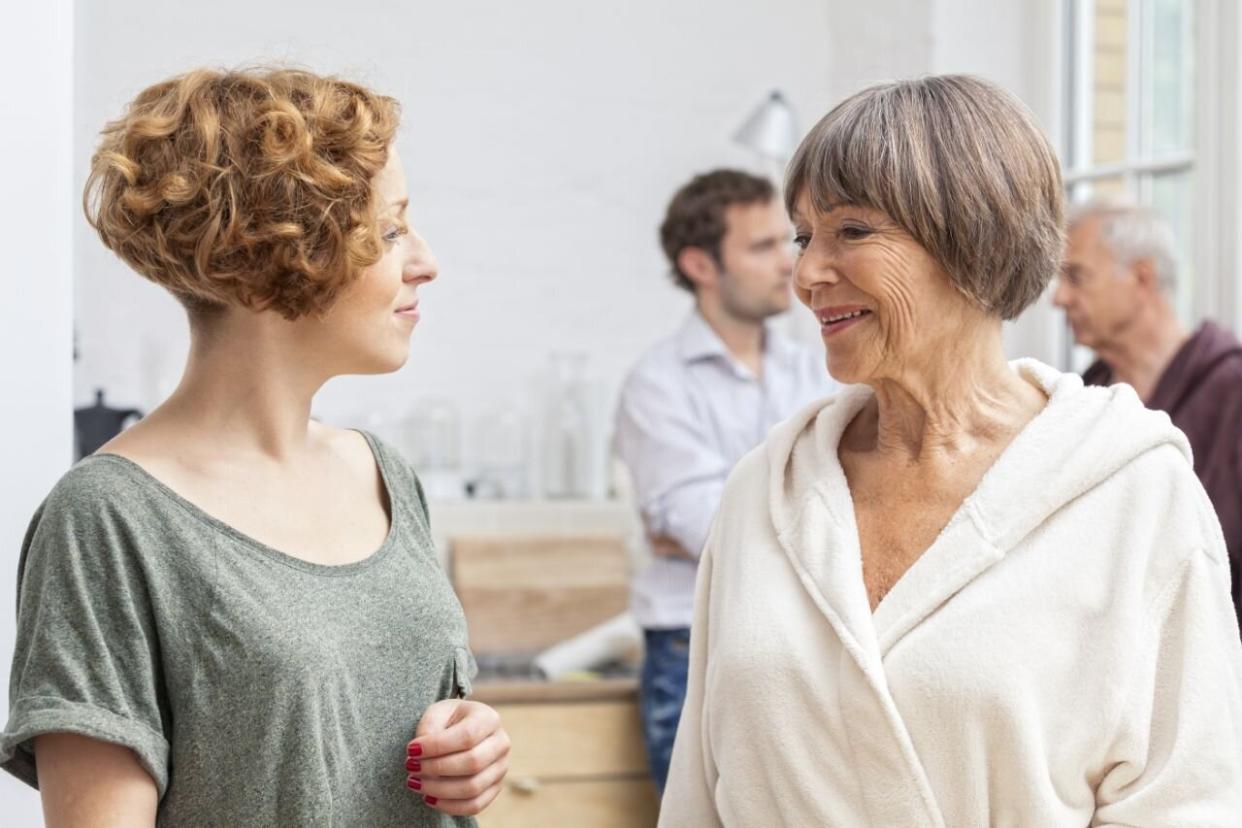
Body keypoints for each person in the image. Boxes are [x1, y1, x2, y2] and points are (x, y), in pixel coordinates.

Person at [659, 75, 1242, 826]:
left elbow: (1186, 803)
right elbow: (697, 799)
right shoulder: (765, 493)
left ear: (972, 235)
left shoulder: (1134, 492)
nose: (806, 275)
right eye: (805, 236)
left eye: (852, 231)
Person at [0, 67, 509, 826]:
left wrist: (472, 745)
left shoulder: (383, 474)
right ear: (278, 255)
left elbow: (372, 727)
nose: (425, 261)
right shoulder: (108, 521)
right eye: (393, 228)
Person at [613, 169, 837, 793]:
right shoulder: (657, 383)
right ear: (700, 264)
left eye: (786, 241)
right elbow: (705, 527)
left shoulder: (818, 365)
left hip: (803, 642)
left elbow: (859, 497)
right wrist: (809, 514)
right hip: (693, 646)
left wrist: (740, 516)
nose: (789, 263)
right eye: (761, 247)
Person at [1054, 200, 1242, 631]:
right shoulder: (1082, 400)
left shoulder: (1232, 391)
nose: (1059, 298)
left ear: (1142, 277)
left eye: (1076, 276)